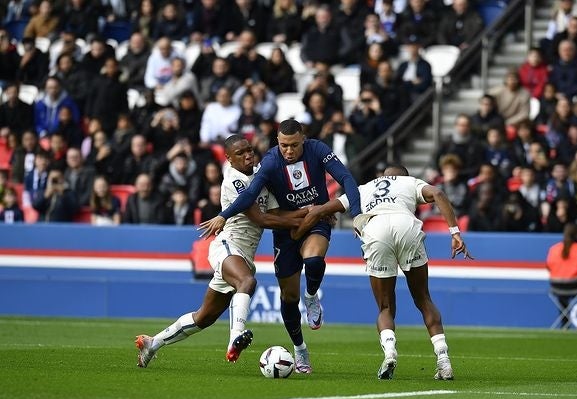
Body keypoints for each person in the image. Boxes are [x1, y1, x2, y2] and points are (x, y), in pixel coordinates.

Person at [199, 119, 362, 374]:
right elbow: (250, 195)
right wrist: (224, 214)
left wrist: (358, 214)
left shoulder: (318, 150)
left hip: (315, 221)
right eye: (284, 145)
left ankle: (311, 297)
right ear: (277, 141)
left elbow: (347, 178)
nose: (289, 151)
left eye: (294, 145)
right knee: (288, 296)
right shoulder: (271, 162)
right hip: (285, 231)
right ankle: (300, 349)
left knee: (314, 260)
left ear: (303, 140)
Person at [135, 135, 306, 368]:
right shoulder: (233, 181)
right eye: (240, 153)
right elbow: (260, 219)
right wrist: (306, 219)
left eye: (249, 150)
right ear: (228, 159)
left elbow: (276, 215)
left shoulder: (260, 177)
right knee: (247, 282)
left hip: (244, 255)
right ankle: (235, 336)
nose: (248, 155)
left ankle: (152, 343)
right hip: (227, 246)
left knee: (203, 317)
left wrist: (310, 213)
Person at [291, 164, 472, 380]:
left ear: (383, 176)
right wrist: (455, 233)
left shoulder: (363, 188)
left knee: (385, 306)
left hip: (376, 230)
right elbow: (439, 193)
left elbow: (320, 210)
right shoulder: (410, 182)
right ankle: (444, 362)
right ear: (404, 176)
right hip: (406, 226)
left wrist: (297, 234)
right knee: (423, 299)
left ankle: (389, 354)